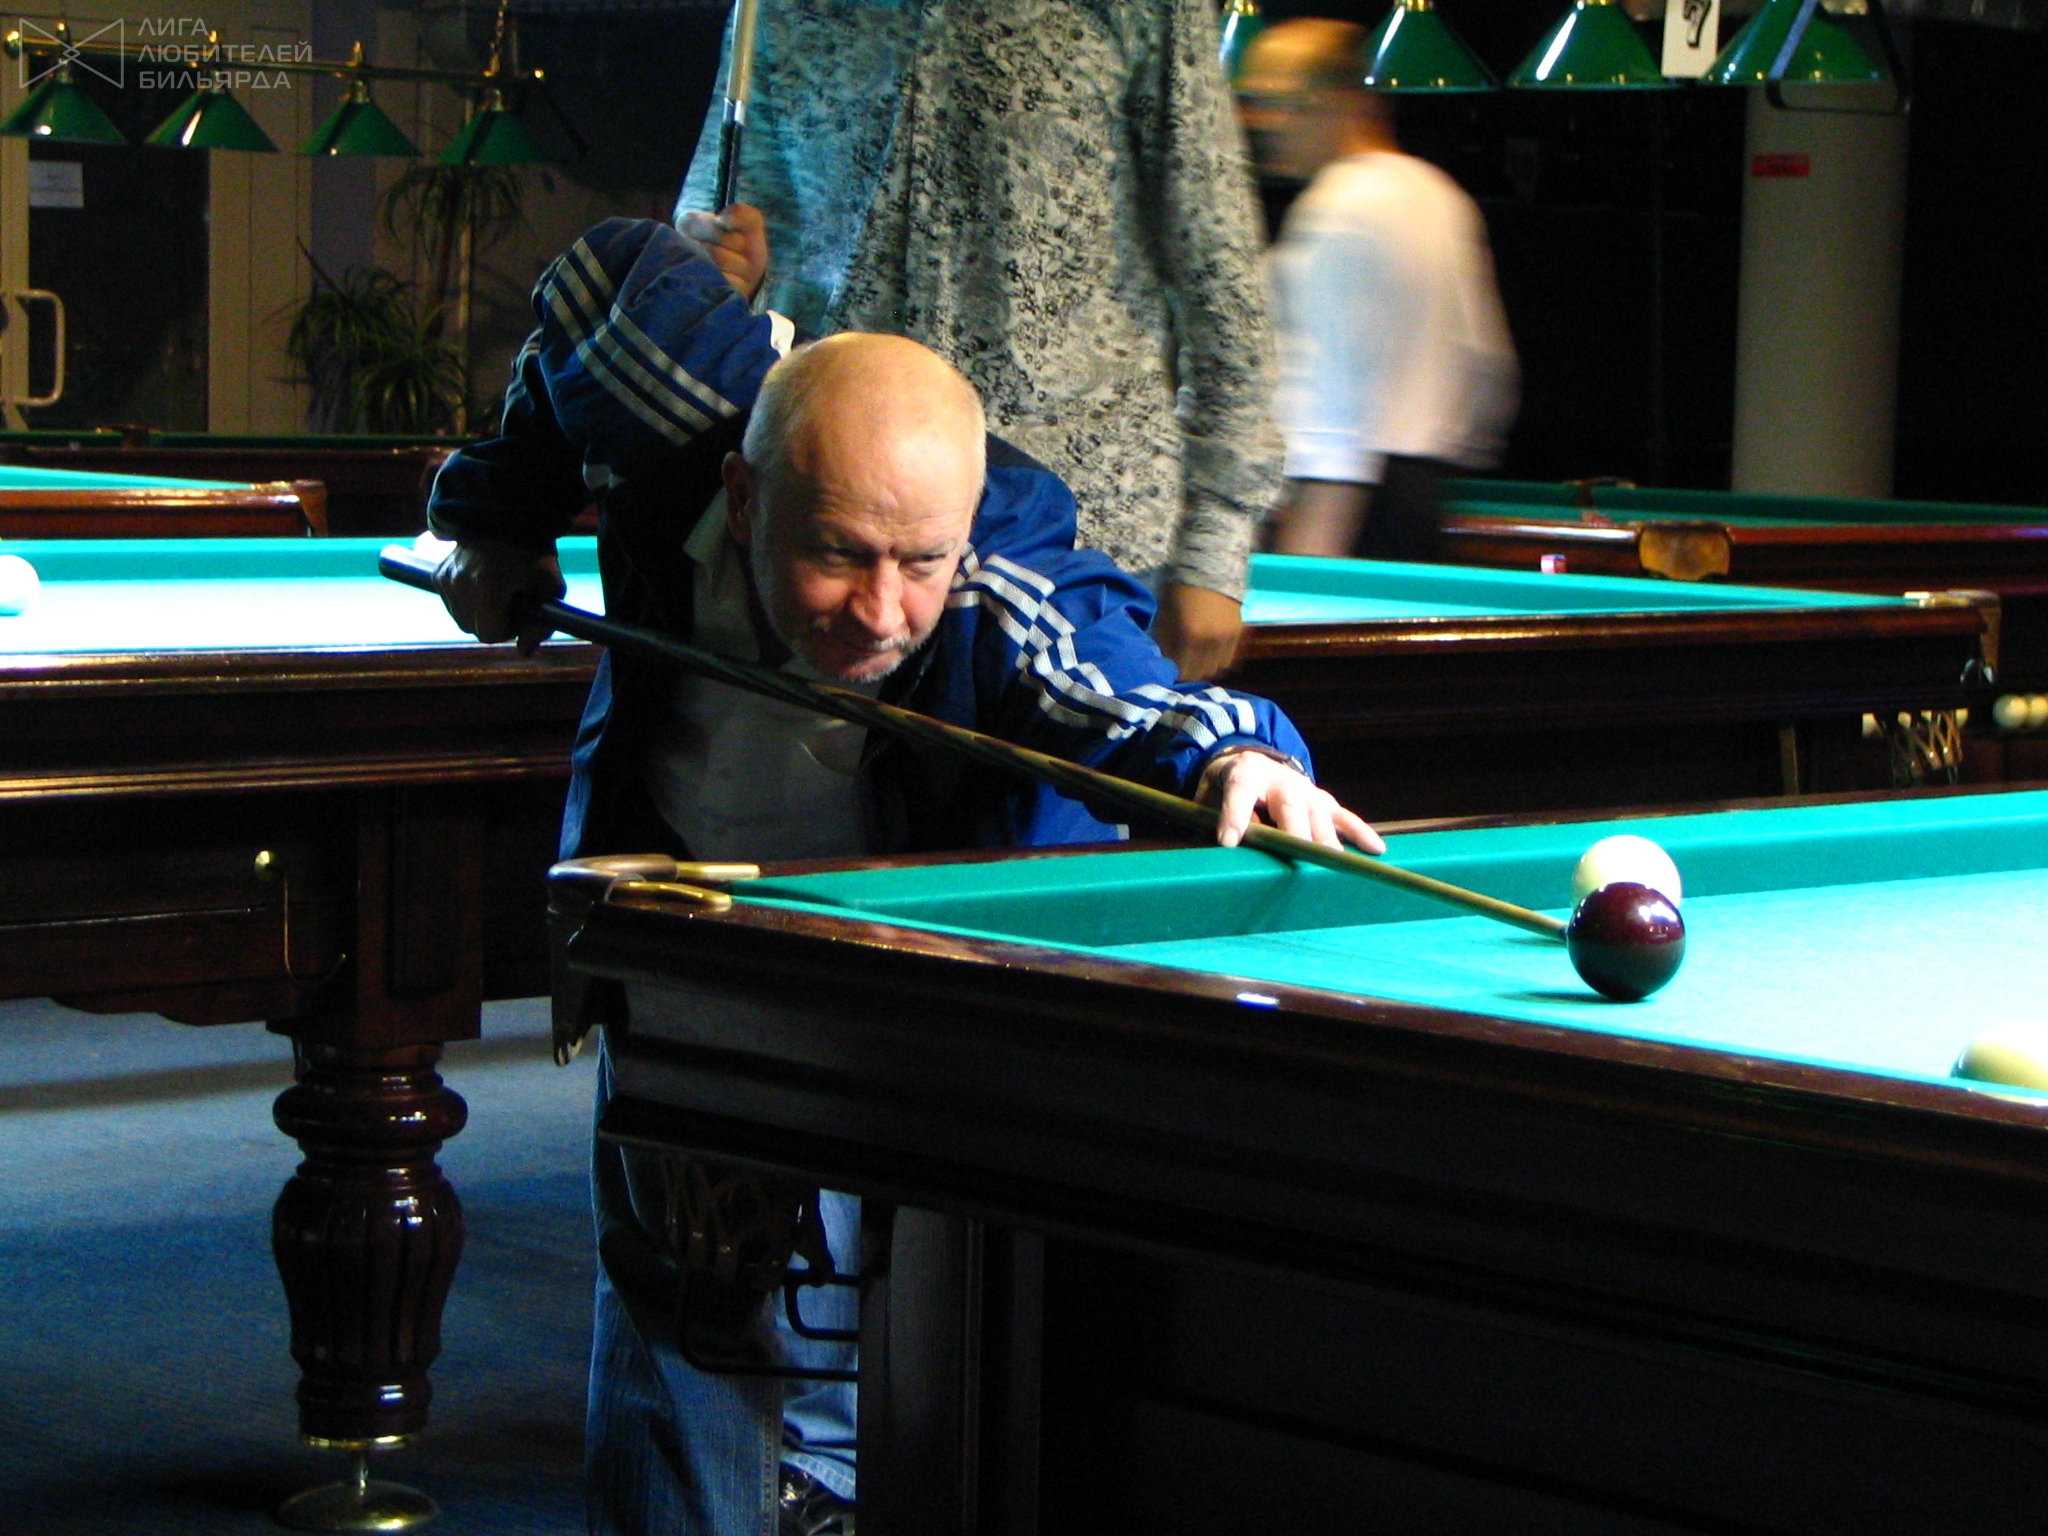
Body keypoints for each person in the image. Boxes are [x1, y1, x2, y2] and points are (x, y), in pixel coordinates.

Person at [424, 216, 1379, 1536]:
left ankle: (841, 1483)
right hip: (691, 902)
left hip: (926, 954)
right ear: (743, 498)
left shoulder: (996, 561)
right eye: (835, 554)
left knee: (938, 1298)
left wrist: (1237, 755)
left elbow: (1107, 673)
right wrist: (494, 516)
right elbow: (586, 297)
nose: (881, 612)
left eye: (918, 564)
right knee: (684, 1286)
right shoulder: (670, 387)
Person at [671, 0, 1284, 681]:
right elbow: (711, 234)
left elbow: (1222, 275)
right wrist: (720, 268)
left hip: (1083, 544)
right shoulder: (774, 9)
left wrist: (1215, 546)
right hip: (838, 544)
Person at [1238, 18, 1518, 562]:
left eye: (1280, 104)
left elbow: (1330, 417)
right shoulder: (1440, 194)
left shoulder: (1335, 208)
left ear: (1340, 101)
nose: (1262, 124)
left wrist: (1310, 565)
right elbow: (1489, 378)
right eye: (1251, 103)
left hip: (1345, 512)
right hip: (1420, 500)